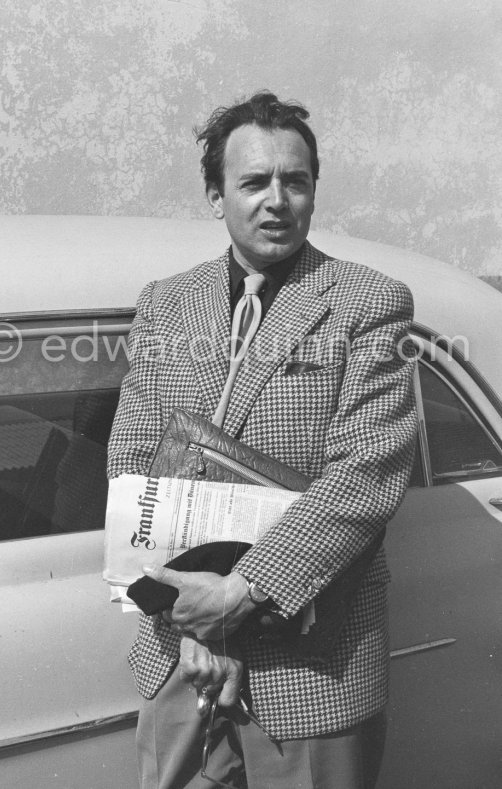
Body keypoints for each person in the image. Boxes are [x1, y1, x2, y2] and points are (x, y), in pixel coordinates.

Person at [107, 91, 417, 789]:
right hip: (181, 656)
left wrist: (241, 594)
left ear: (312, 190)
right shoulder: (167, 301)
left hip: (310, 671)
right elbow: (131, 461)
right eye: (253, 182)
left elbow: (364, 476)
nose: (277, 200)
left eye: (295, 180)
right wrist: (186, 614)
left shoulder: (369, 300)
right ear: (216, 195)